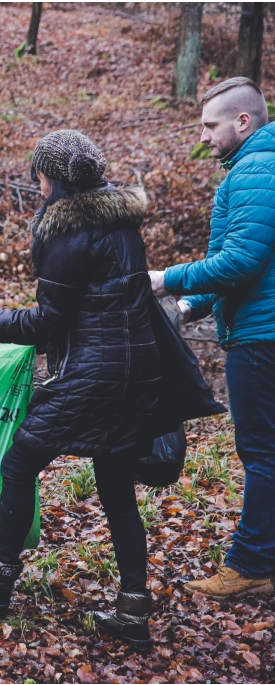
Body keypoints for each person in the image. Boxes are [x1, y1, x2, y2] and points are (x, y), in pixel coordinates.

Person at [0, 130, 222, 647]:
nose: (39, 184)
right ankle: (133, 612)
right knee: (115, 486)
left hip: (96, 375)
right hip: (139, 373)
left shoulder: (65, 229)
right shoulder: (120, 222)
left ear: (53, 177)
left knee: (20, 459)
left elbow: (50, 321)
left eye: (40, 175)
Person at [150, 77, 275, 599]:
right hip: (259, 327)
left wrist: (166, 279)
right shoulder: (254, 170)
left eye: (210, 125)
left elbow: (241, 262)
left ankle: (251, 567)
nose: (203, 137)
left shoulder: (255, 171)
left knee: (261, 453)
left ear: (242, 121)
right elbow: (238, 272)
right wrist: (187, 306)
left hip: (259, 339)